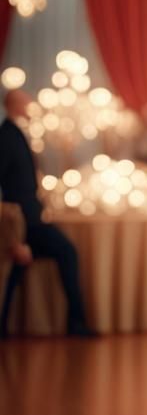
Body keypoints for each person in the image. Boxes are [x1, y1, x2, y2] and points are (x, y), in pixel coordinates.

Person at [0, 89, 95, 338]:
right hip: (23, 221)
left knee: (14, 272)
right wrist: (12, 233)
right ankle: (76, 323)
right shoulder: (7, 136)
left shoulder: (14, 134)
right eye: (25, 101)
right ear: (15, 105)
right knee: (67, 252)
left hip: (27, 219)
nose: (30, 105)